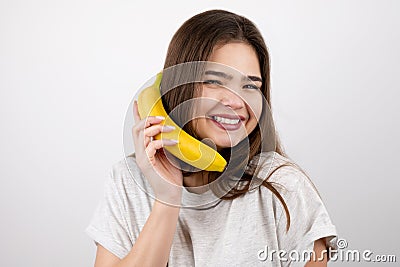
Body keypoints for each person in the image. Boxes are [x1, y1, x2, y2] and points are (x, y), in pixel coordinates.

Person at [85, 9, 338, 267]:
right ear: (180, 86)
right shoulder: (127, 182)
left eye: (251, 85)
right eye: (215, 81)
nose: (236, 101)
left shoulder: (282, 185)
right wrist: (167, 199)